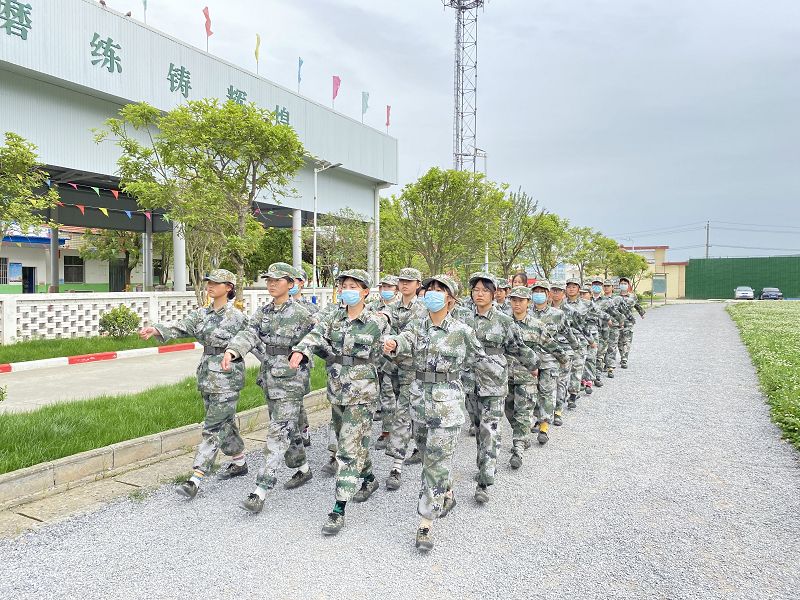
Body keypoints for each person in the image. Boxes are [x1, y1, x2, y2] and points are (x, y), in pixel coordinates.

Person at [383, 274, 499, 552]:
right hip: (420, 402)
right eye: (430, 289)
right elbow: (404, 340)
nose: (432, 294)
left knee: (435, 462)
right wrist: (393, 344)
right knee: (427, 456)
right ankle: (446, 492)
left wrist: (493, 385)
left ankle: (425, 522)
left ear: (451, 298)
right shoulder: (417, 326)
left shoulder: (462, 330)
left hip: (448, 406)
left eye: (440, 290)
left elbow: (479, 360)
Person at [288, 269, 389, 536]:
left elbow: (390, 350)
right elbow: (316, 334)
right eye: (344, 285)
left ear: (366, 291)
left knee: (346, 449)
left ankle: (338, 508)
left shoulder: (376, 321)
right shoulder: (333, 316)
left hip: (363, 394)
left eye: (354, 286)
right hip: (337, 391)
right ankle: (368, 478)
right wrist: (301, 349)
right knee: (354, 442)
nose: (348, 289)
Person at [213, 263, 317, 514]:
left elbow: (318, 336)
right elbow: (249, 334)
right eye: (268, 279)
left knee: (277, 432)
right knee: (287, 428)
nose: (271, 284)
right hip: (270, 378)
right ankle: (302, 468)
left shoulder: (302, 314)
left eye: (277, 280)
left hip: (291, 380)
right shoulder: (264, 312)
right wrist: (233, 350)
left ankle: (261, 489)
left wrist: (303, 351)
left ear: (291, 284)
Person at [139, 269, 248, 499]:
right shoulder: (201, 314)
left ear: (228, 287)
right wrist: (156, 329)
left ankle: (196, 477)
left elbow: (253, 341)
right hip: (208, 375)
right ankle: (240, 462)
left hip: (228, 378)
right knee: (224, 423)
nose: (209, 286)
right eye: (208, 282)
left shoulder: (237, 318)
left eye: (216, 283)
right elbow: (180, 327)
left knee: (213, 427)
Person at [460, 272, 538, 504]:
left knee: (490, 431)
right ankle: (483, 465)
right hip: (469, 383)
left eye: (485, 290)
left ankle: (485, 480)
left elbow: (518, 347)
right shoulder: (463, 320)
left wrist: (534, 364)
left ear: (494, 295)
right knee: (477, 427)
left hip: (494, 385)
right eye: (476, 290)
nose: (480, 294)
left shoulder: (504, 321)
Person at [506, 286, 566, 462]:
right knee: (509, 411)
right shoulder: (503, 323)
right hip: (505, 376)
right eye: (514, 300)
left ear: (528, 303)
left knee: (523, 413)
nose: (517, 304)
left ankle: (518, 448)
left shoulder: (536, 325)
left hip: (527, 376)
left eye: (521, 300)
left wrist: (564, 360)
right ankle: (522, 434)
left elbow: (551, 344)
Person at [381, 268, 428, 490]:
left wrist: (395, 341)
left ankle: (396, 467)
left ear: (418, 284)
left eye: (409, 281)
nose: (405, 284)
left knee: (402, 413)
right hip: (394, 368)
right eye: (402, 281)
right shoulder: (391, 307)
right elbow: (383, 318)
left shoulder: (423, 309)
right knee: (411, 413)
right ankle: (420, 445)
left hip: (414, 369)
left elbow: (412, 333)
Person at [530, 280, 580, 428]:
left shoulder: (557, 314)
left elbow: (568, 333)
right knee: (532, 391)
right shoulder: (526, 312)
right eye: (535, 292)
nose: (538, 295)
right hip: (530, 360)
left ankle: (545, 424)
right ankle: (536, 417)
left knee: (547, 391)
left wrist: (575, 348)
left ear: (547, 294)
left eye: (541, 292)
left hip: (550, 359)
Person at [367, 275, 401, 447]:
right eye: (383, 287)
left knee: (393, 394)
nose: (385, 290)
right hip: (375, 359)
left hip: (394, 360)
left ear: (396, 289)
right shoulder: (372, 307)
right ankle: (385, 431)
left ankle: (393, 430)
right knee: (380, 394)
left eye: (389, 287)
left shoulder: (399, 309)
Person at [552, 280, 590, 409]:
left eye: (558, 290)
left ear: (563, 293)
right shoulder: (546, 308)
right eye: (553, 290)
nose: (555, 293)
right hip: (551, 347)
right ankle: (554, 402)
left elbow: (582, 326)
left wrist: (590, 341)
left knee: (574, 370)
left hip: (570, 345)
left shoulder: (569, 310)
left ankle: (572, 395)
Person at [589, 277, 623, 388]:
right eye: (595, 284)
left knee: (599, 355)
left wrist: (618, 322)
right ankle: (588, 378)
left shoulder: (607, 301)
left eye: (599, 285)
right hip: (588, 333)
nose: (596, 287)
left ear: (602, 287)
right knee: (589, 356)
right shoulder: (586, 300)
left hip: (602, 332)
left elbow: (615, 314)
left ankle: (597, 376)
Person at [617, 276, 646, 368]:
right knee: (619, 341)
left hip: (628, 322)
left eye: (625, 283)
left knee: (627, 340)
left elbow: (637, 305)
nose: (623, 285)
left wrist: (642, 313)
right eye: (621, 283)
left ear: (628, 285)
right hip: (617, 322)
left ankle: (624, 359)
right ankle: (622, 355)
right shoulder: (616, 296)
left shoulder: (633, 296)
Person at [603, 279, 625, 378]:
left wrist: (621, 322)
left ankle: (610, 367)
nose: (606, 287)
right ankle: (603, 363)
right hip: (602, 326)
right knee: (602, 347)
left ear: (612, 287)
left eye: (608, 286)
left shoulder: (617, 299)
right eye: (605, 286)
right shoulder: (600, 299)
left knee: (612, 346)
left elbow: (623, 311)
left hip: (614, 326)